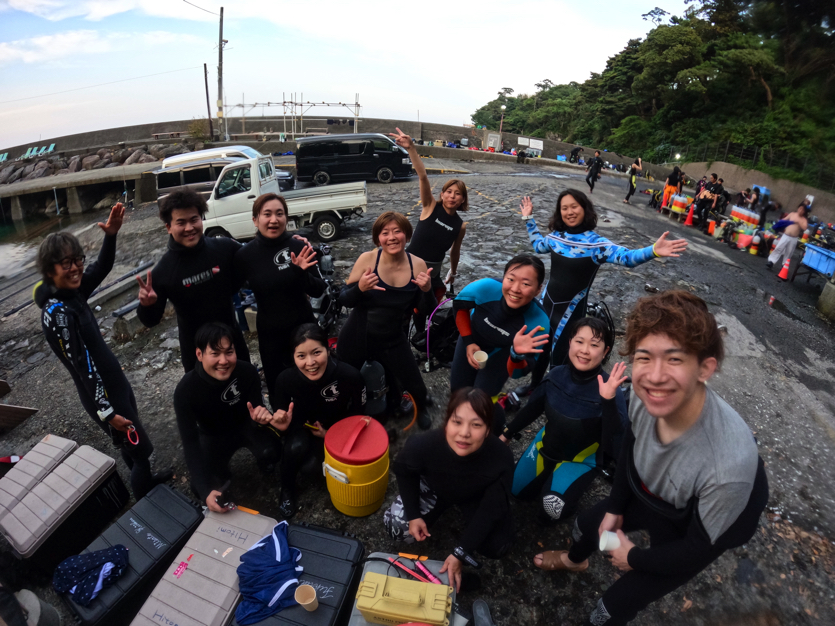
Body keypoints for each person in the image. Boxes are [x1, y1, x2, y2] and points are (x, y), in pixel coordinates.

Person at [534, 291, 768, 626]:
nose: (655, 377)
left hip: (697, 523)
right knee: (586, 527)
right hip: (657, 490)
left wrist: (634, 557)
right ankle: (575, 561)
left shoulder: (727, 467)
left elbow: (695, 549)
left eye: (675, 360)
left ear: (705, 368)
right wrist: (615, 507)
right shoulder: (645, 395)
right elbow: (631, 448)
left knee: (610, 608)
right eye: (644, 357)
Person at [34, 205, 171, 500]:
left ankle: (148, 482)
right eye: (66, 264)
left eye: (77, 260)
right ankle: (147, 501)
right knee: (141, 450)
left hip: (114, 383)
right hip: (103, 393)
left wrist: (111, 236)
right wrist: (107, 413)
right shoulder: (59, 314)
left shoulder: (72, 292)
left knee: (130, 444)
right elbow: (83, 367)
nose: (76, 268)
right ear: (49, 270)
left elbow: (102, 267)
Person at [516, 190, 687, 396]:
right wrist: (528, 218)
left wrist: (653, 250)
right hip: (546, 304)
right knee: (541, 348)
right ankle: (534, 386)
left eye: (574, 207)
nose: (569, 212)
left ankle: (554, 394)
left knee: (561, 358)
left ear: (584, 209)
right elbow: (538, 246)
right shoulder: (556, 237)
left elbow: (628, 258)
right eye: (564, 208)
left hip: (571, 313)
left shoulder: (597, 244)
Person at [383, 387, 514, 593]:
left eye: (476, 425)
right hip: (436, 489)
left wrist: (461, 552)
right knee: (396, 526)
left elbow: (492, 508)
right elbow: (404, 470)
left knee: (497, 546)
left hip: (474, 496)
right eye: (457, 422)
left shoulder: (501, 459)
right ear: (447, 422)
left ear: (488, 429)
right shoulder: (424, 444)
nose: (464, 433)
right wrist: (414, 515)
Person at [502, 317, 628, 524]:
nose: (585, 350)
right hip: (546, 446)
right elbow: (533, 408)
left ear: (605, 351)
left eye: (594, 345)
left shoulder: (610, 390)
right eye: (579, 341)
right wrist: (506, 434)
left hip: (580, 460)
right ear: (570, 342)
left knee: (551, 509)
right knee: (515, 490)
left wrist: (608, 402)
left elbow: (616, 442)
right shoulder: (556, 375)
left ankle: (570, 487)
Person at [337, 211, 435, 428]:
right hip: (358, 334)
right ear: (378, 238)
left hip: (392, 336)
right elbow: (344, 299)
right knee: (345, 381)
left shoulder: (417, 264)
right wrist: (360, 288)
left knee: (414, 382)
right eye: (385, 233)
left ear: (406, 235)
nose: (391, 237)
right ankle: (346, 416)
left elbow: (426, 310)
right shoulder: (368, 259)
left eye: (397, 231)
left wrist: (427, 290)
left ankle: (420, 407)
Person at [173, 322, 282, 513]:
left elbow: (258, 409)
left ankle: (264, 461)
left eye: (229, 352)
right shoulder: (186, 390)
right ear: (199, 354)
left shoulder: (247, 372)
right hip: (212, 434)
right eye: (215, 353)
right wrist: (205, 491)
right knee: (202, 487)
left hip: (246, 425)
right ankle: (221, 474)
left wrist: (264, 419)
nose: (223, 361)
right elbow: (190, 443)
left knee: (272, 451)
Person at [136, 189, 250, 372]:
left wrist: (293, 243)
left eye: (194, 219)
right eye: (181, 222)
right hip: (195, 352)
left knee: (246, 386)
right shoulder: (163, 271)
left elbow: (256, 257)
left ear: (201, 219)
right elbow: (151, 321)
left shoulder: (224, 248)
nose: (189, 228)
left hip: (233, 344)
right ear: (168, 227)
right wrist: (147, 305)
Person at [233, 193, 325, 404]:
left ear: (286, 217)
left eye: (279, 214)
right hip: (270, 334)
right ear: (255, 220)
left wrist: (301, 274)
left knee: (313, 380)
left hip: (304, 328)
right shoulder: (245, 256)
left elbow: (319, 290)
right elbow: (229, 287)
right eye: (267, 214)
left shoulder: (299, 246)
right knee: (278, 388)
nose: (274, 220)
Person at [269, 323, 366, 517]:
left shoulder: (350, 376)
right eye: (301, 356)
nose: (310, 363)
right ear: (293, 357)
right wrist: (279, 425)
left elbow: (359, 416)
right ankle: (286, 489)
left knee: (311, 469)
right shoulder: (285, 379)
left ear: (328, 350)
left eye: (316, 353)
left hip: (336, 427)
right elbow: (281, 417)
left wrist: (330, 434)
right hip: (303, 425)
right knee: (295, 448)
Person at [450, 254, 550, 433]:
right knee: (458, 391)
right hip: (472, 340)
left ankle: (497, 430)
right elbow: (459, 308)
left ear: (538, 290)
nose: (515, 289)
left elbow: (518, 373)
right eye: (510, 279)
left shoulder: (538, 323)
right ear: (503, 278)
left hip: (502, 354)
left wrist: (516, 354)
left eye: (526, 284)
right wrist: (468, 341)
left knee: (482, 402)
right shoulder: (485, 288)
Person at [390, 128, 467, 333]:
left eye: (457, 194)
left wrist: (453, 272)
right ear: (442, 194)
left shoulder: (460, 225)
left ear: (462, 200)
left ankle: (420, 338)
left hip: (432, 273)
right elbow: (423, 177)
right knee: (402, 308)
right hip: (408, 266)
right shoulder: (430, 206)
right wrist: (411, 148)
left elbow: (455, 251)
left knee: (423, 310)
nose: (452, 196)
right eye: (449, 191)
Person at [766, 204, 809, 270]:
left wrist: (798, 222)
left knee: (789, 252)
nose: (800, 210)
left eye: (803, 210)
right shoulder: (792, 214)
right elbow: (784, 220)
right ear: (798, 208)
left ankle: (784, 265)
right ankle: (771, 261)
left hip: (794, 238)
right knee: (779, 248)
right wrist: (780, 223)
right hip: (786, 235)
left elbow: (805, 228)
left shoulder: (803, 220)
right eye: (800, 208)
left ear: (804, 212)